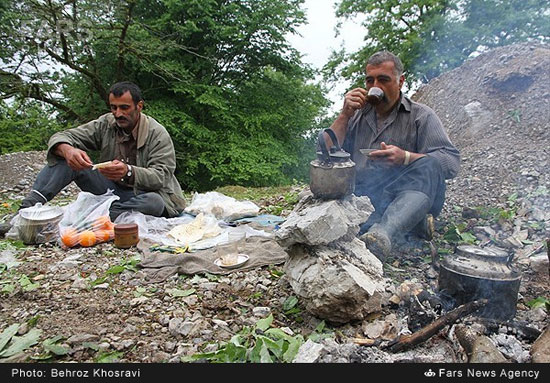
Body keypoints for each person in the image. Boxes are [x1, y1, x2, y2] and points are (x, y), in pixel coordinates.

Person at [328, 51, 460, 261]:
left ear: (400, 82)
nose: (375, 87)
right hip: (366, 197)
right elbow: (326, 152)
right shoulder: (357, 116)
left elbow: (450, 162)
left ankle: (383, 234)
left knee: (429, 164)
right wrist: (344, 115)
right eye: (370, 80)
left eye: (384, 80)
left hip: (408, 191)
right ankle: (414, 223)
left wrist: (406, 158)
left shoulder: (421, 115)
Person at [9, 81, 186, 225]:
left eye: (124, 108)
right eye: (113, 108)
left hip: (143, 195)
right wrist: (68, 150)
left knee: (153, 203)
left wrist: (129, 171)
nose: (118, 113)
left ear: (139, 106)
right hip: (111, 190)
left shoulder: (157, 133)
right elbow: (62, 136)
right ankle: (24, 214)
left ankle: (92, 216)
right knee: (66, 159)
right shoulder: (106, 124)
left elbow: (161, 176)